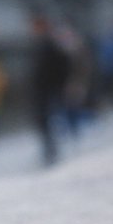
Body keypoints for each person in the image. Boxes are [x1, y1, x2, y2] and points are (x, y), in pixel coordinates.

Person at [29, 14, 71, 166]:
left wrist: (60, 85)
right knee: (43, 121)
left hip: (49, 89)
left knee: (49, 120)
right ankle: (48, 150)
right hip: (41, 90)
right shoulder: (38, 45)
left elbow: (63, 66)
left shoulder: (51, 45)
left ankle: (51, 151)